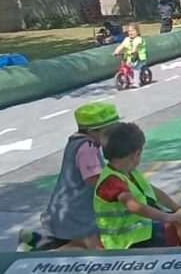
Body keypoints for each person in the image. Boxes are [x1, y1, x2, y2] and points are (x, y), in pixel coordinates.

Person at [17, 103, 121, 251]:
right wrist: (118, 190)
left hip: (66, 209)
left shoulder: (76, 143)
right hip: (77, 213)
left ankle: (34, 239)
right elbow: (92, 180)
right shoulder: (88, 149)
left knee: (80, 242)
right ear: (92, 131)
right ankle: (38, 254)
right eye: (108, 132)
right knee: (93, 249)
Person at [94, 122, 181, 249]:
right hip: (126, 243)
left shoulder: (131, 173)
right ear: (136, 154)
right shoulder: (111, 181)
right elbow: (133, 206)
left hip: (141, 235)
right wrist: (167, 217)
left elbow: (153, 191)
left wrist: (177, 208)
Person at [112, 22, 147, 87]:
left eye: (133, 31)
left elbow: (135, 46)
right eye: (129, 31)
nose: (131, 33)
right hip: (130, 59)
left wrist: (133, 51)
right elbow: (121, 46)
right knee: (128, 68)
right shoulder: (127, 39)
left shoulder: (138, 39)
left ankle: (136, 82)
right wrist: (116, 51)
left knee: (136, 69)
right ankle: (130, 80)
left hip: (139, 58)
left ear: (137, 32)